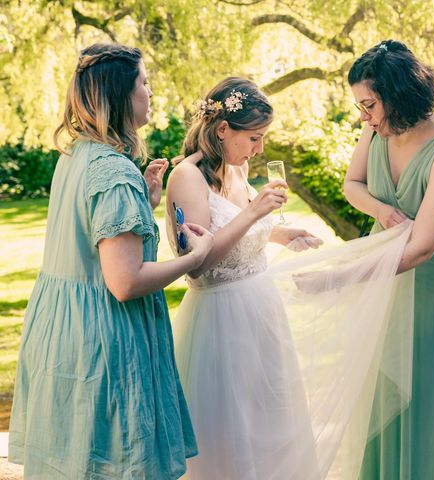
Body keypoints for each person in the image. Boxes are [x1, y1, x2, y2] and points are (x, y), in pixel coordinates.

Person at [8, 43, 214, 479]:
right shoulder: (113, 172)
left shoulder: (76, 157)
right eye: (143, 82)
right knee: (117, 465)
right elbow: (125, 281)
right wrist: (196, 256)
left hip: (61, 333)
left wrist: (143, 198)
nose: (150, 90)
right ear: (122, 95)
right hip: (104, 342)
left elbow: (90, 238)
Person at [165, 77, 325, 479]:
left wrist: (283, 234)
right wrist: (255, 213)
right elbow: (199, 262)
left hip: (262, 313)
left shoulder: (236, 169)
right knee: (231, 434)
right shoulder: (188, 177)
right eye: (255, 138)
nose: (260, 148)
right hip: (222, 319)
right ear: (223, 130)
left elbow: (236, 233)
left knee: (270, 427)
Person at [343, 40, 434, 479]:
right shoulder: (376, 129)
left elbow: (421, 248)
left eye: (369, 105)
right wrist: (380, 210)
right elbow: (352, 184)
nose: (365, 115)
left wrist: (343, 278)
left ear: (396, 94)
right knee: (383, 401)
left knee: (431, 401)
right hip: (386, 285)